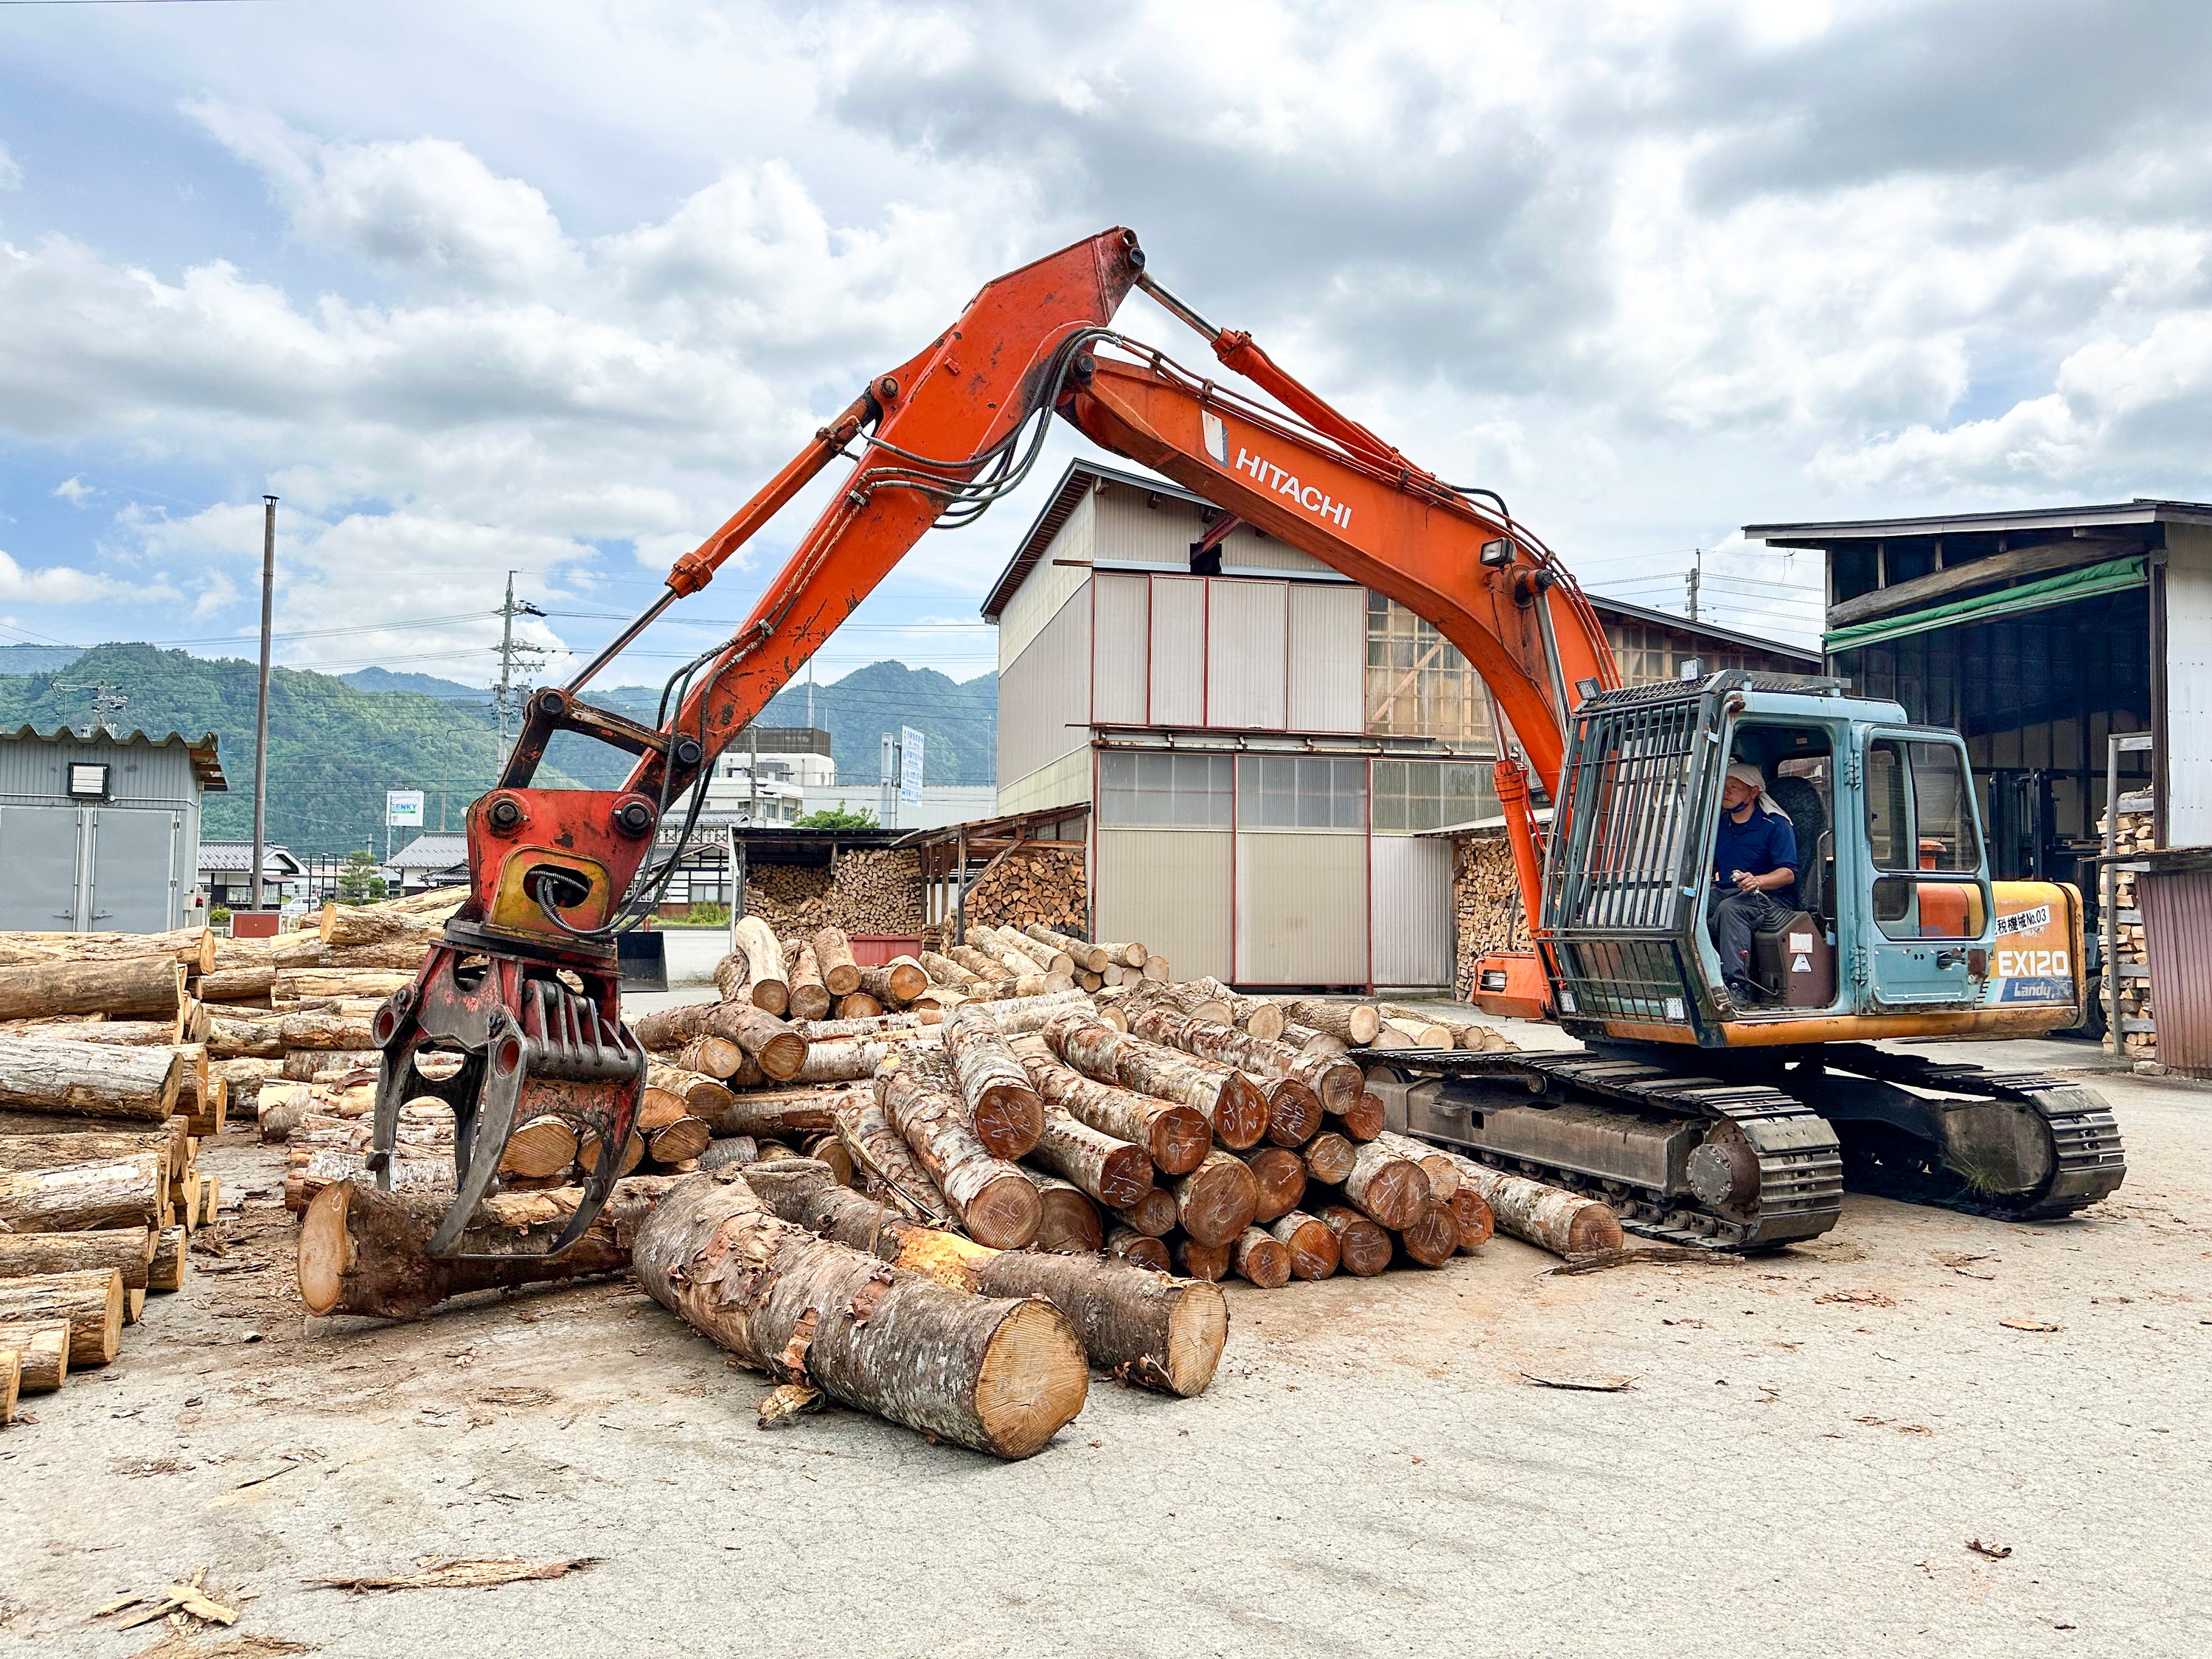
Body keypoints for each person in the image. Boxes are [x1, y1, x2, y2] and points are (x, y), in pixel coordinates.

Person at [1708, 761, 1798, 1004]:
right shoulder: (1720, 824)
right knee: (1691, 904)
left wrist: (1757, 881)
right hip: (1728, 890)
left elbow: (1788, 873)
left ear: (1754, 791)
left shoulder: (1776, 825)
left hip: (1770, 899)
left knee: (1730, 910)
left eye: (1735, 786)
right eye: (1724, 785)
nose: (1727, 791)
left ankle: (1736, 986)